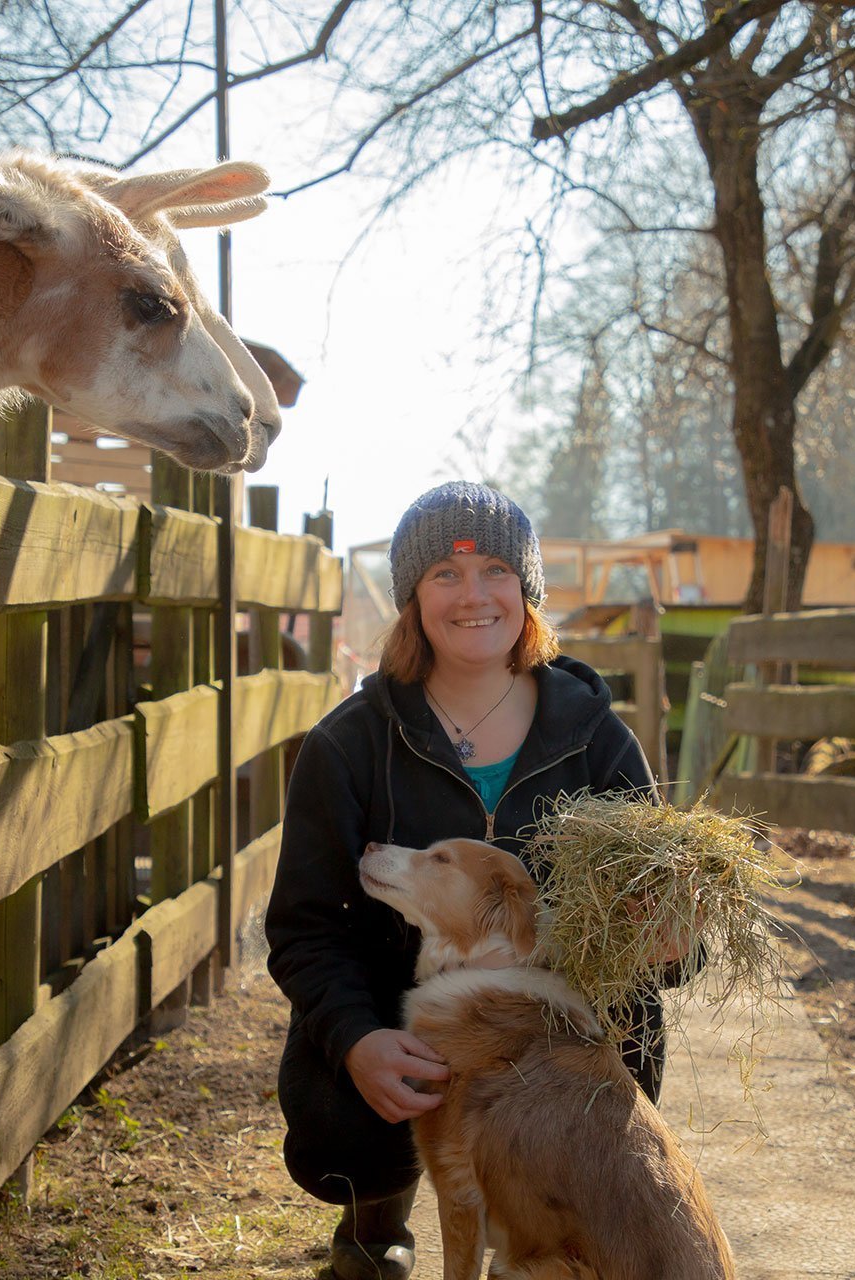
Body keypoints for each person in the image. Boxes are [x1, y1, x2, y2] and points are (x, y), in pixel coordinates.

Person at [265, 482, 703, 1280]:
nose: (474, 595)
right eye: (445, 574)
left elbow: (665, 925)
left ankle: (540, 1232)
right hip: (410, 1020)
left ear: (527, 592)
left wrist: (672, 939)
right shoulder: (348, 744)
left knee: (575, 1161)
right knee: (344, 1130)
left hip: (559, 1049)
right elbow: (303, 928)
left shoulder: (597, 741)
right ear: (411, 598)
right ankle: (376, 1220)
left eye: (497, 570)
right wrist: (357, 1040)